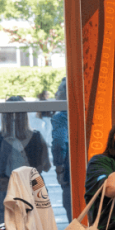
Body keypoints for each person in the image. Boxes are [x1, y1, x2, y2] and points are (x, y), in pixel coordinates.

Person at [0, 95, 52, 224]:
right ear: (25, 115)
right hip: (34, 189)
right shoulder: (38, 137)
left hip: (5, 190)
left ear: (4, 116)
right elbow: (47, 167)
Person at [50, 78, 71, 222]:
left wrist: (59, 169)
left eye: (58, 91)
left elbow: (59, 143)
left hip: (70, 170)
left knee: (72, 210)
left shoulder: (60, 117)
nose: (55, 94)